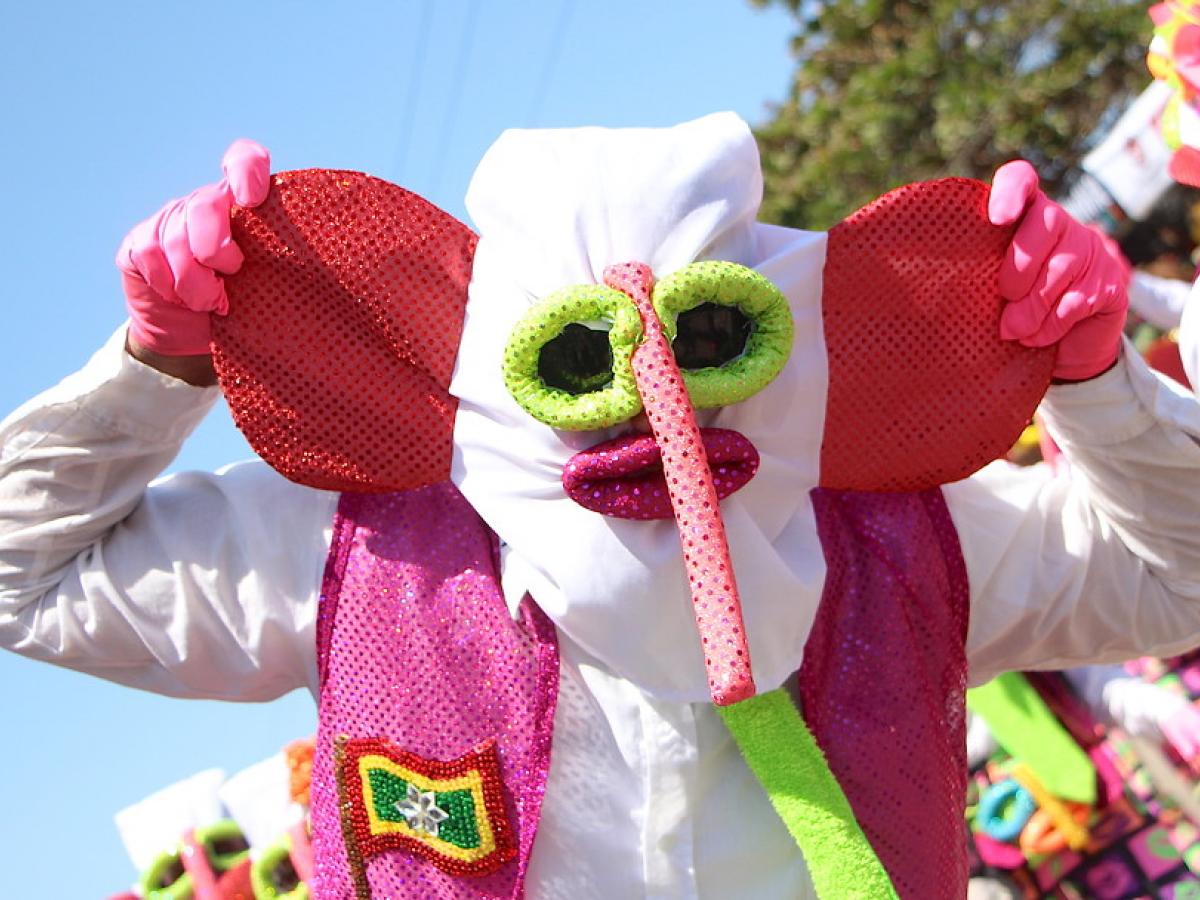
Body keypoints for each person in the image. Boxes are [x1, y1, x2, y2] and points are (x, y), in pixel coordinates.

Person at [2, 112, 1200, 898]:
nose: (655, 409)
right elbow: (19, 574)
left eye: (711, 337)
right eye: (583, 359)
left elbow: (1177, 582)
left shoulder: (902, 530)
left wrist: (1100, 384)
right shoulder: (350, 545)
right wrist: (154, 367)